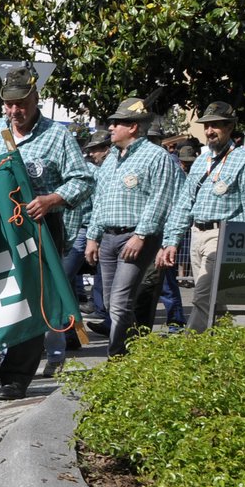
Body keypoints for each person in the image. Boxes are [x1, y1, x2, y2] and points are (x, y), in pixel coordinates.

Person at [0, 68, 93, 391]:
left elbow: (84, 180)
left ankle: (16, 378)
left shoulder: (57, 136)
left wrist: (52, 199)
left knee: (31, 301)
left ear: (35, 98)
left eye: (21, 103)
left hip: (39, 228)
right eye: (9, 104)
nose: (15, 111)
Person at [84, 98, 180, 357]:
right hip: (108, 237)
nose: (111, 127)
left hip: (135, 236)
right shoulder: (112, 158)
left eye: (117, 123)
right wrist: (93, 236)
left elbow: (160, 199)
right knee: (108, 303)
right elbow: (99, 200)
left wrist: (140, 235)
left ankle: (117, 357)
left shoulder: (156, 156)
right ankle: (139, 349)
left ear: (134, 127)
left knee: (120, 301)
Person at [157, 101, 245, 331]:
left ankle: (191, 345)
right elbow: (184, 203)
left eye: (215, 125)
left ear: (230, 127)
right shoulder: (201, 161)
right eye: (206, 126)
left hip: (222, 236)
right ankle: (220, 351)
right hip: (196, 234)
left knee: (202, 294)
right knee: (215, 301)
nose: (209, 131)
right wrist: (171, 241)